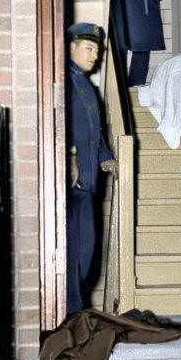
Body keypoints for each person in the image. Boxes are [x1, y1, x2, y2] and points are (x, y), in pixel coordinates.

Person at [66, 23, 118, 317]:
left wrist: (106, 157)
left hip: (89, 177)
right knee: (75, 250)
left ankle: (77, 307)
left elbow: (94, 130)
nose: (94, 55)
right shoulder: (64, 80)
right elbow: (61, 122)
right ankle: (73, 313)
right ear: (71, 47)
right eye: (89, 48)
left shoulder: (85, 84)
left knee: (87, 251)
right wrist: (70, 156)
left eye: (97, 50)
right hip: (73, 178)